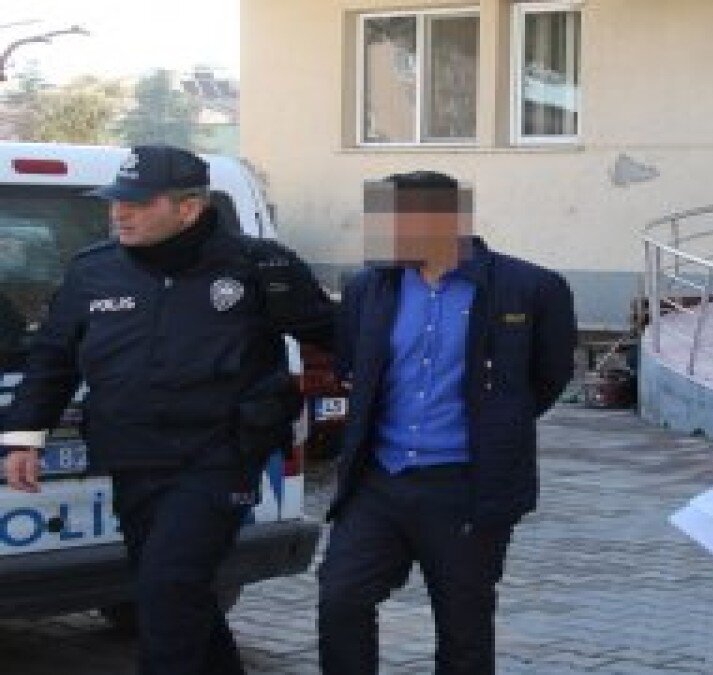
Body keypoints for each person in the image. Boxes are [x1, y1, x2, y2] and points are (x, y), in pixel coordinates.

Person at [0, 144, 336, 675]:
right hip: (133, 457)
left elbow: (335, 338)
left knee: (169, 588)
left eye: (138, 203)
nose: (119, 213)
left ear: (189, 208)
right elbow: (53, 358)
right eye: (116, 201)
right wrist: (25, 437)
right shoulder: (93, 271)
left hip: (217, 458)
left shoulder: (258, 267)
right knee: (177, 592)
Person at [317, 170, 577, 675]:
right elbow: (353, 366)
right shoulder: (368, 288)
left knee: (464, 630)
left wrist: (494, 427)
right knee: (341, 598)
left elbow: (545, 380)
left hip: (466, 489)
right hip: (379, 481)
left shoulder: (530, 288)